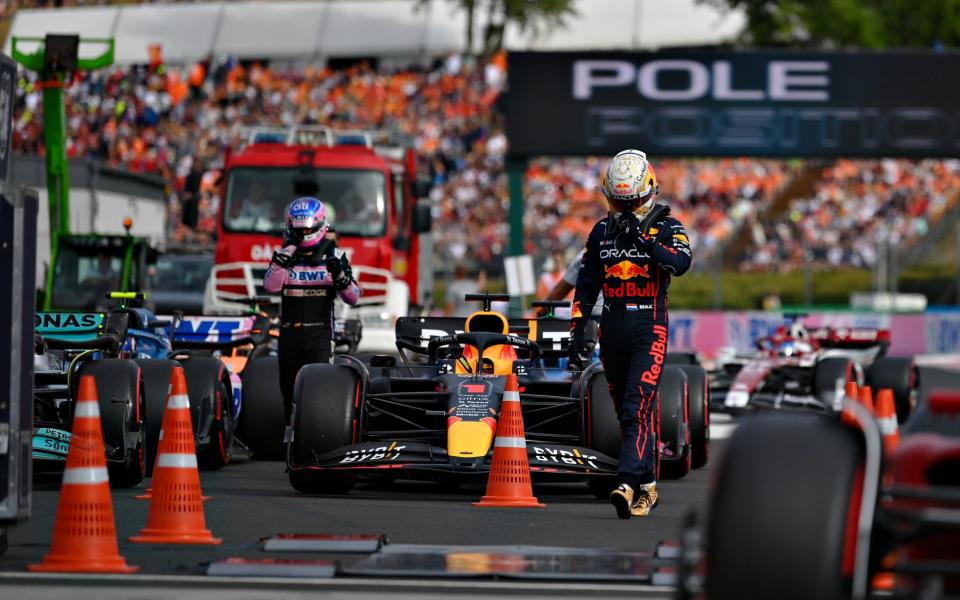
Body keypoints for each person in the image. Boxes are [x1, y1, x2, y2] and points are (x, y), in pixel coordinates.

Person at [569, 149, 692, 519]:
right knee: (629, 412)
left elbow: (681, 263)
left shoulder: (667, 226)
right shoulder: (600, 231)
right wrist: (578, 327)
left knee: (637, 404)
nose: (625, 208)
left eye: (633, 201)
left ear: (649, 191)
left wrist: (644, 241)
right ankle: (648, 486)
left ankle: (625, 481)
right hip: (612, 327)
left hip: (649, 326)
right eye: (619, 201)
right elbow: (587, 284)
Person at [264, 197, 361, 419]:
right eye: (298, 229)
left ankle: (316, 436)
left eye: (307, 229)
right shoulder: (283, 256)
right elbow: (270, 286)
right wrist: (285, 256)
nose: (303, 233)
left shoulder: (335, 256)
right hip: (289, 333)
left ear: (319, 225)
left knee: (317, 389)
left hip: (320, 334)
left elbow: (353, 297)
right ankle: (289, 439)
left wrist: (340, 276)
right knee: (289, 393)